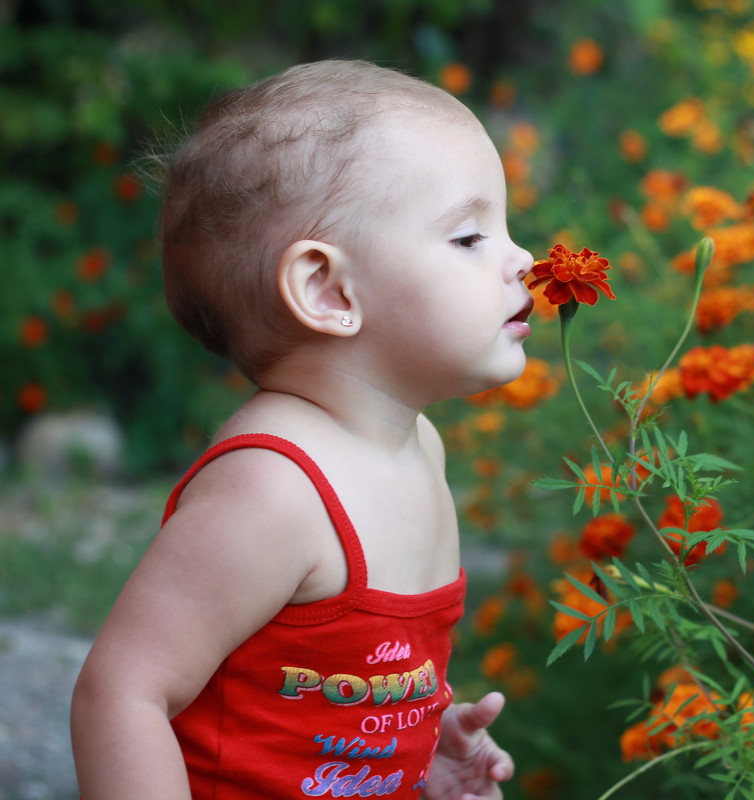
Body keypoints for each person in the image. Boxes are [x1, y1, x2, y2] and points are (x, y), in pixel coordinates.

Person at [71, 59, 534, 800]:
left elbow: (348, 678)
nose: (525, 261)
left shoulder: (419, 450)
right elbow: (122, 694)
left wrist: (418, 752)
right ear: (328, 289)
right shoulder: (274, 490)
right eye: (470, 237)